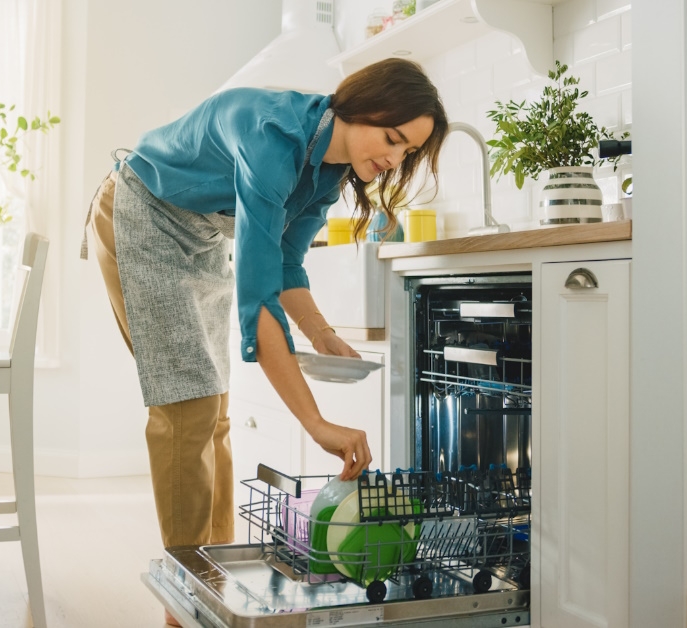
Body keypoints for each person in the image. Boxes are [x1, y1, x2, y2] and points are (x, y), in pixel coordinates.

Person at [82, 58, 446, 620]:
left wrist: (323, 335)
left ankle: (214, 585)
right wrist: (318, 424)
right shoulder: (272, 137)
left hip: (198, 235)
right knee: (187, 408)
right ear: (361, 105)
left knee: (215, 410)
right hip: (141, 212)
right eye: (393, 139)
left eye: (408, 153)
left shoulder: (330, 171)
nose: (395, 159)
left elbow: (285, 265)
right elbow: (260, 303)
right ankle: (184, 607)